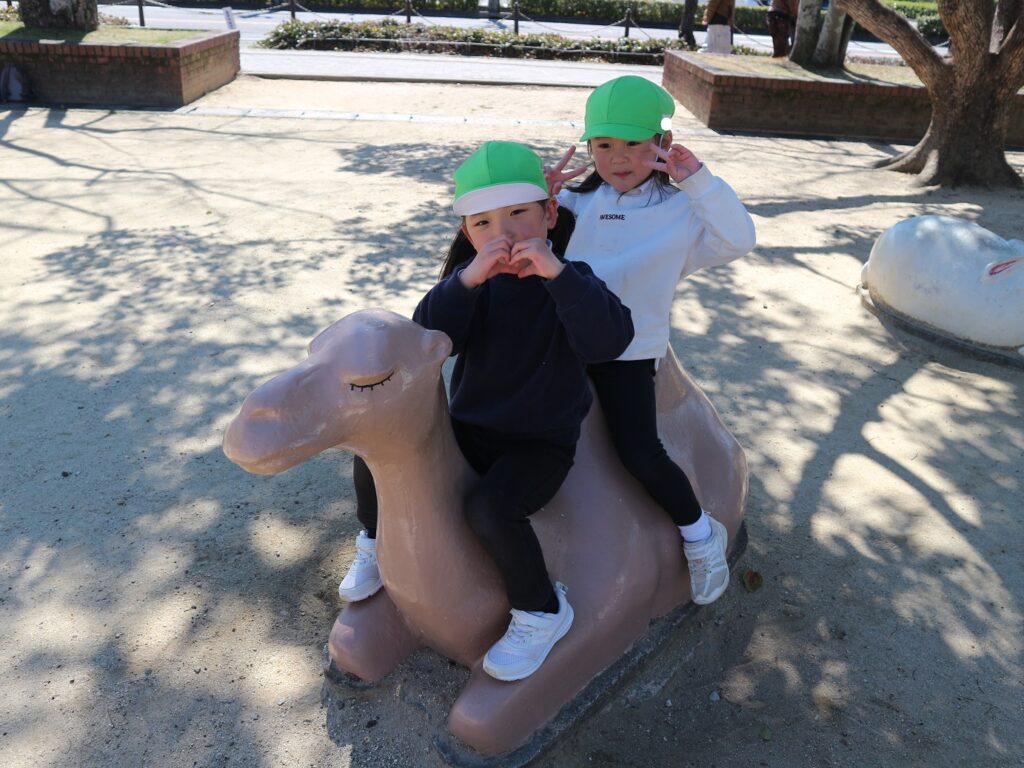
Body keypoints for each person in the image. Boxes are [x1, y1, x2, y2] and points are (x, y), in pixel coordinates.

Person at [340, 141, 635, 682]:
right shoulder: (470, 283)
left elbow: (608, 342)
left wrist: (558, 275)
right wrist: (466, 280)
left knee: (490, 509)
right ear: (468, 233)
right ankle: (373, 539)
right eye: (483, 223)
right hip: (470, 427)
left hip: (539, 443)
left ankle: (541, 611)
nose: (504, 233)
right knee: (378, 449)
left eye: (518, 213)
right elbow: (429, 341)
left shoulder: (575, 279)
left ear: (549, 214)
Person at [545, 75, 756, 607]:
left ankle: (701, 535)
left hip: (628, 352)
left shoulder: (683, 211)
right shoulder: (572, 202)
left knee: (639, 451)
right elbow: (516, 249)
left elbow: (739, 239)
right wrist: (537, 202)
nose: (617, 158)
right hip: (560, 342)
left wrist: (699, 181)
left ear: (663, 143)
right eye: (603, 144)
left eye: (634, 143)